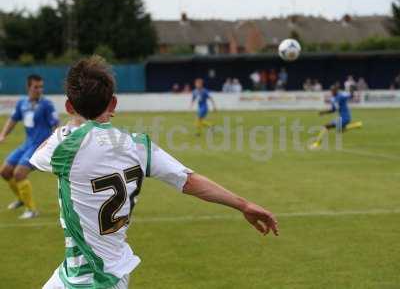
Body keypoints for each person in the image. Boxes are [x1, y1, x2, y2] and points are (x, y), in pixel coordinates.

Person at [29, 56, 278, 289]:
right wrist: (244, 205)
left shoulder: (63, 147)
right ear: (113, 102)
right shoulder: (138, 146)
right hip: (86, 273)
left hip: (94, 279)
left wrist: (71, 123)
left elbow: (38, 154)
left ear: (69, 106)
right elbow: (189, 181)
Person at [0, 74, 59, 219]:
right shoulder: (22, 103)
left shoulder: (47, 105)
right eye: (36, 87)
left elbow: (56, 125)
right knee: (5, 171)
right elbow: (13, 120)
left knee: (19, 173)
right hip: (27, 144)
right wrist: (2, 135)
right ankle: (21, 199)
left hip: (39, 146)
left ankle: (32, 210)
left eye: (41, 87)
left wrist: (56, 143)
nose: (39, 90)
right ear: (28, 87)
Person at [309, 84, 362, 150]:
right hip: (342, 117)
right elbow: (333, 110)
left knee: (326, 126)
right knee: (340, 130)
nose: (331, 92)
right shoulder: (333, 99)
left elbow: (351, 96)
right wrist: (323, 112)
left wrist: (352, 90)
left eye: (333, 91)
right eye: (331, 90)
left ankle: (316, 144)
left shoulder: (341, 96)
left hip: (345, 117)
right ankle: (357, 125)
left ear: (336, 91)